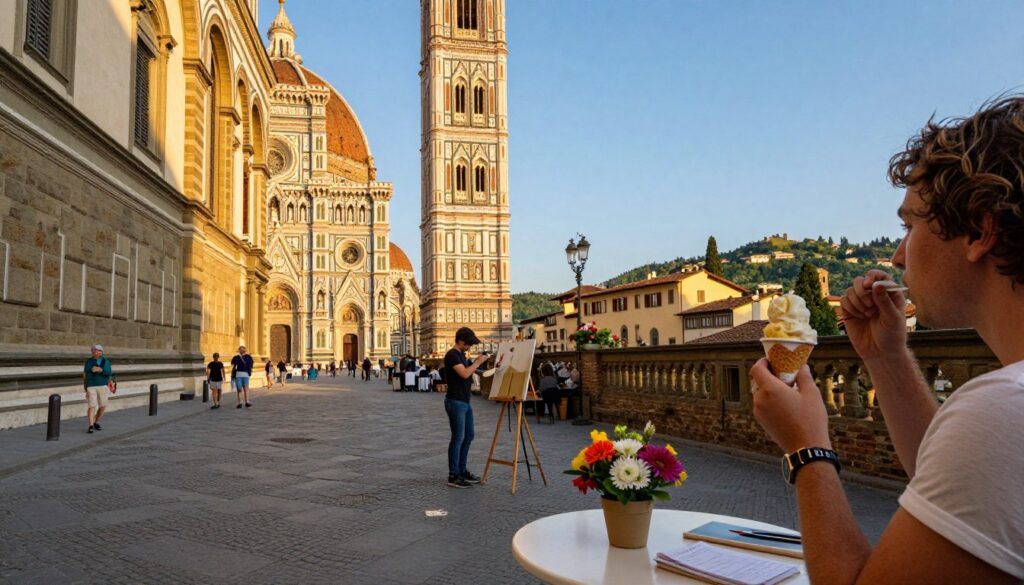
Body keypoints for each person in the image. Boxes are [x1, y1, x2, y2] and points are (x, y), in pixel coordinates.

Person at [750, 97, 1024, 584]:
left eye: (910, 225)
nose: (898, 256)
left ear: (980, 231)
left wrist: (807, 448)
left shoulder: (1006, 408)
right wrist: (887, 356)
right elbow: (963, 490)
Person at [444, 327, 490, 488]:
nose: (470, 347)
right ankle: (453, 475)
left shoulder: (462, 356)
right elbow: (464, 373)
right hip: (455, 401)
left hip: (465, 401)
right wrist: (477, 361)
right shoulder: (452, 355)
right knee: (458, 437)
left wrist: (493, 369)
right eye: (469, 344)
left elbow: (475, 371)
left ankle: (462, 471)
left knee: (469, 435)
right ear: (461, 341)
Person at [82, 344, 112, 433]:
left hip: (102, 385)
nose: (97, 352)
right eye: (95, 350)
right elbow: (85, 375)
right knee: (92, 405)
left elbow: (109, 372)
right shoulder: (89, 361)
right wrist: (86, 388)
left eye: (99, 350)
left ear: (102, 352)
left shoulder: (105, 361)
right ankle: (91, 425)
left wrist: (101, 370)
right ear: (92, 352)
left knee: (102, 405)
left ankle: (96, 422)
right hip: (91, 386)